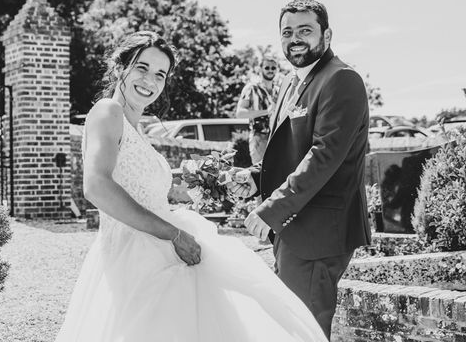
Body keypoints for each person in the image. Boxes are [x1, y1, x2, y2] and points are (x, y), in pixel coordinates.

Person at [55, 30, 327, 342]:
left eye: (160, 74)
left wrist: (203, 187)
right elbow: (97, 186)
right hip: (133, 258)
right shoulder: (108, 111)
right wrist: (173, 233)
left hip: (157, 245)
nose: (150, 81)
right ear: (120, 67)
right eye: (141, 68)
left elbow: (140, 191)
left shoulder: (136, 127)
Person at [242, 0, 371, 339]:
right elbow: (290, 151)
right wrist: (254, 178)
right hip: (293, 229)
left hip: (320, 232)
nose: (295, 38)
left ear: (326, 35)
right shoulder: (288, 83)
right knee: (288, 328)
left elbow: (324, 155)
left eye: (305, 30)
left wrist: (272, 208)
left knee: (304, 331)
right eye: (287, 32)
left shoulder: (342, 79)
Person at [236, 55, 281, 164]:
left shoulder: (279, 90)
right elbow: (240, 113)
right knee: (260, 173)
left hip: (277, 137)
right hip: (258, 137)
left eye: (273, 68)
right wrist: (267, 111)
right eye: (267, 67)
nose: (270, 70)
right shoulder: (251, 88)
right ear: (260, 69)